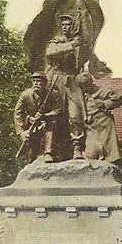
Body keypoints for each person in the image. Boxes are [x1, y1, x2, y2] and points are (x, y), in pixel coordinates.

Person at [44, 14, 87, 160]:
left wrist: (80, 45)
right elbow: (50, 53)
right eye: (63, 24)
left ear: (73, 26)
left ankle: (77, 149)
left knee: (75, 116)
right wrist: (71, 45)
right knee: (52, 116)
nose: (64, 27)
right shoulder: (56, 41)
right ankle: (48, 151)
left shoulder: (79, 42)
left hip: (72, 81)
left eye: (68, 24)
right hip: (56, 82)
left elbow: (83, 60)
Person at [76, 71, 122, 164]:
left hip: (104, 124)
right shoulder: (80, 95)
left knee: (109, 151)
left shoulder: (102, 91)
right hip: (90, 127)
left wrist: (104, 104)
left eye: (86, 85)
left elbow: (118, 99)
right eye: (82, 86)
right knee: (91, 155)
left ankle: (114, 162)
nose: (84, 88)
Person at [14, 73, 62, 163]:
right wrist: (21, 132)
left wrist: (45, 116)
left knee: (51, 125)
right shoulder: (25, 95)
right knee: (31, 152)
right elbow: (18, 113)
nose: (36, 83)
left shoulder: (53, 94)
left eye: (39, 81)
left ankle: (48, 153)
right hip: (31, 125)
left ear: (44, 83)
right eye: (34, 81)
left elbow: (58, 110)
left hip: (47, 123)